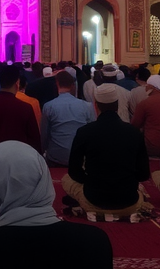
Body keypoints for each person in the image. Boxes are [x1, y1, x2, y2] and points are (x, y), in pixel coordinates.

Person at [63, 84, 150, 216]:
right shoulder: (133, 132)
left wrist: (92, 182)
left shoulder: (85, 132)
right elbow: (143, 174)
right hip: (129, 203)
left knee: (66, 179)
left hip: (93, 201)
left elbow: (74, 171)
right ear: (117, 105)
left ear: (96, 105)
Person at [40, 70, 95, 166]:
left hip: (56, 157)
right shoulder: (87, 106)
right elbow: (93, 132)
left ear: (57, 84)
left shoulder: (49, 106)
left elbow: (44, 135)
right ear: (73, 85)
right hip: (80, 156)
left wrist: (42, 151)